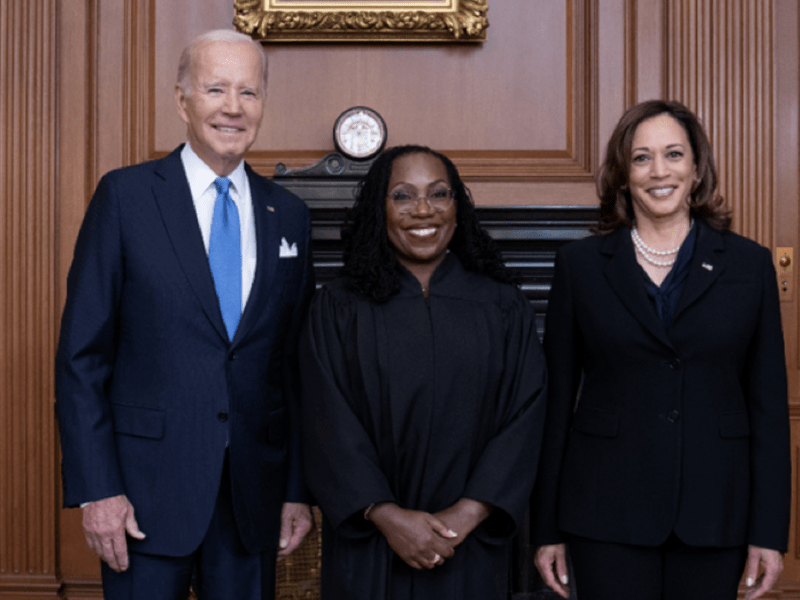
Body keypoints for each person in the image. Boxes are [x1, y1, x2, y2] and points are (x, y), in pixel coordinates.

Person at [55, 29, 314, 599]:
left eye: (248, 92)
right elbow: (82, 358)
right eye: (216, 88)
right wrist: (98, 489)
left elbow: (292, 366)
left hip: (254, 497)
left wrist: (296, 490)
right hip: (143, 494)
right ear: (182, 101)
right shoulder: (125, 198)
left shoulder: (288, 216)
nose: (233, 108)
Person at [531, 100, 790, 600]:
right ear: (623, 175)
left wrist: (769, 532)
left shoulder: (748, 265)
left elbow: (768, 408)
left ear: (696, 169)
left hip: (715, 511)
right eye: (641, 158)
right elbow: (556, 403)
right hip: (604, 510)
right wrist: (547, 528)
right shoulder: (580, 265)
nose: (659, 171)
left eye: (673, 154)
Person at [299, 145, 547, 599]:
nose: (423, 210)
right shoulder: (339, 307)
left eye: (439, 194)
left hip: (469, 545)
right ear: (380, 209)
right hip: (370, 545)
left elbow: (525, 417)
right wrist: (386, 515)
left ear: (458, 206)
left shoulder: (501, 306)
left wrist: (467, 515)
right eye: (402, 196)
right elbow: (325, 419)